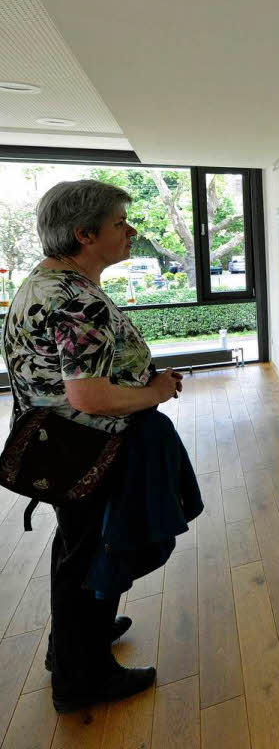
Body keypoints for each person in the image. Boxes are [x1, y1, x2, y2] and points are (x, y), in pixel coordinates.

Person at [1, 180, 183, 713]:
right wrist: (154, 391)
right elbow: (90, 396)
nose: (131, 231)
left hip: (57, 449)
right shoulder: (80, 302)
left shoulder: (43, 283)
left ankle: (75, 644)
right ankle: (84, 679)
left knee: (77, 549)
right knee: (93, 555)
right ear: (84, 234)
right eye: (120, 224)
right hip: (90, 449)